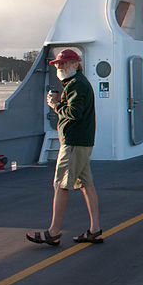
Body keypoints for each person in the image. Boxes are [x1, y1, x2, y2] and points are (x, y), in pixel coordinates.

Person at [27, 49, 103, 246]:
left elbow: (74, 113)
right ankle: (95, 230)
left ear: (75, 65)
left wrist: (55, 104)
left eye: (64, 63)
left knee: (60, 185)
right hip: (82, 142)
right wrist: (61, 102)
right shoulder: (77, 83)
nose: (59, 66)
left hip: (73, 143)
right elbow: (75, 110)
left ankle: (53, 232)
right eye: (58, 64)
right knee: (87, 185)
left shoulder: (77, 84)